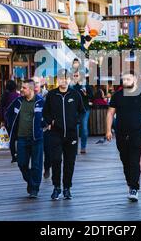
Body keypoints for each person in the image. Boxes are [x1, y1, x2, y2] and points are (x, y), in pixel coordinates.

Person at [106, 71, 141, 202]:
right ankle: (130, 183)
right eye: (124, 79)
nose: (125, 81)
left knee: (135, 161)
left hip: (136, 134)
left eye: (128, 78)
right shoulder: (117, 96)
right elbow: (110, 113)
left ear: (135, 79)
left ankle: (134, 187)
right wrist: (108, 130)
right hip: (120, 134)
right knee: (125, 161)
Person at [43, 69, 85, 200]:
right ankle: (56, 187)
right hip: (55, 133)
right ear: (58, 80)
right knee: (56, 160)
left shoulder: (75, 94)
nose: (63, 80)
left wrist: (75, 121)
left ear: (70, 79)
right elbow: (45, 113)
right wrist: (50, 121)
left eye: (66, 78)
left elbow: (82, 111)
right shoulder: (51, 95)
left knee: (69, 162)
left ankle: (67, 188)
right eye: (61, 78)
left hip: (71, 134)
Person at [5, 80, 45, 198]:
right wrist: (11, 123)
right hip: (21, 138)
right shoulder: (18, 101)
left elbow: (48, 115)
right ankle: (31, 182)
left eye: (24, 88)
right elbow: (8, 113)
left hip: (36, 138)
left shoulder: (40, 102)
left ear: (31, 89)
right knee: (21, 163)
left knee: (36, 165)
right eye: (21, 87)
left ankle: (34, 189)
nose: (21, 90)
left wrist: (44, 124)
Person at [71, 72, 94, 154]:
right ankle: (74, 147)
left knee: (84, 129)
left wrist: (85, 94)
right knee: (74, 130)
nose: (75, 77)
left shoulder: (85, 84)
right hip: (74, 110)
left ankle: (83, 147)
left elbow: (92, 96)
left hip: (84, 110)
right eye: (74, 75)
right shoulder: (71, 86)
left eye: (77, 75)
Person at [0, 80, 20, 163]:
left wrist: (1, 120)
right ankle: (19, 153)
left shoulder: (4, 96)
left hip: (8, 120)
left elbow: (0, 109)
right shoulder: (18, 96)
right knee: (19, 138)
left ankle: (13, 155)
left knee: (12, 138)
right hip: (18, 119)